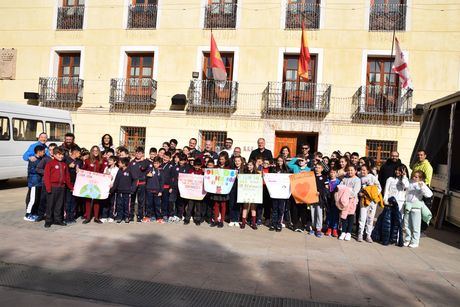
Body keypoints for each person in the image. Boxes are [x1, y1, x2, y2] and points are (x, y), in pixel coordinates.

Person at [43, 147, 74, 228]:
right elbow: (46, 176)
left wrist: (71, 187)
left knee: (59, 205)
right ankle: (48, 220)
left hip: (62, 188)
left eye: (62, 155)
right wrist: (48, 188)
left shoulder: (64, 165)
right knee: (50, 205)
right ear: (54, 154)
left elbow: (67, 177)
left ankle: (58, 220)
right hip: (52, 187)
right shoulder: (50, 164)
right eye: (59, 154)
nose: (61, 156)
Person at [404, 170, 433, 248]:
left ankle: (415, 241)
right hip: (408, 206)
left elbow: (429, 194)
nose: (414, 177)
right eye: (413, 176)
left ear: (421, 178)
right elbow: (405, 188)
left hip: (416, 207)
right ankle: (407, 239)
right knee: (407, 225)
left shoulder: (421, 184)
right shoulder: (409, 182)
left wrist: (422, 187)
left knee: (416, 226)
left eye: (416, 177)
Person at [357, 164, 382, 243]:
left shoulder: (372, 177)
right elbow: (358, 189)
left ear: (368, 170)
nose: (362, 171)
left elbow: (379, 188)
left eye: (364, 170)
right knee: (362, 217)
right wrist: (360, 193)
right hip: (364, 200)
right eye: (361, 170)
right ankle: (360, 234)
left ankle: (368, 235)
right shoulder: (359, 178)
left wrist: (373, 194)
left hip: (372, 201)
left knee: (370, 218)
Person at [287, 155, 311, 232]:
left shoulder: (309, 169)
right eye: (300, 161)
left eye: (302, 160)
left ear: (306, 161)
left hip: (304, 192)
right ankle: (295, 224)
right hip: (295, 191)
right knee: (294, 209)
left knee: (303, 209)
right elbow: (288, 164)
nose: (300, 162)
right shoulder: (295, 167)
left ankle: (303, 225)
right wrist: (296, 159)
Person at [82, 145, 105, 224]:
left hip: (98, 183)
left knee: (96, 200)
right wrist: (79, 171)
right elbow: (83, 170)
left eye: (97, 150)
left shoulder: (101, 161)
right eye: (94, 150)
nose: (95, 152)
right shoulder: (87, 161)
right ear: (91, 152)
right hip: (88, 183)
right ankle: (88, 217)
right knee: (88, 200)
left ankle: (96, 217)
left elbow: (103, 171)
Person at [35, 142, 58, 222]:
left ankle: (53, 216)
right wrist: (47, 172)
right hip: (46, 182)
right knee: (43, 199)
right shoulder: (46, 159)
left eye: (53, 149)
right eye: (50, 149)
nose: (51, 151)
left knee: (54, 201)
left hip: (56, 184)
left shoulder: (60, 159)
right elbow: (38, 169)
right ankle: (40, 215)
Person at [338, 165, 361, 241]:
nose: (350, 172)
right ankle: (343, 231)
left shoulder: (357, 180)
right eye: (349, 170)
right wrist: (347, 190)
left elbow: (355, 192)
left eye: (352, 170)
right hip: (344, 201)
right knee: (343, 216)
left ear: (355, 171)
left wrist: (346, 191)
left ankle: (349, 232)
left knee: (350, 216)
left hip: (352, 201)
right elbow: (340, 187)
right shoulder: (345, 179)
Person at [110, 157, 136, 223]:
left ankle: (126, 217)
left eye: (120, 163)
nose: (118, 164)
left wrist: (132, 189)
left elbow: (135, 180)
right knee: (119, 205)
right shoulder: (119, 170)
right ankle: (119, 217)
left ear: (124, 164)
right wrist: (112, 190)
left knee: (127, 205)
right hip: (119, 191)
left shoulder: (130, 170)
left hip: (127, 192)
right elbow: (116, 181)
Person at [24, 145, 46, 222]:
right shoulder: (33, 160)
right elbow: (33, 171)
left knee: (37, 199)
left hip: (39, 182)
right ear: (39, 152)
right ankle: (27, 214)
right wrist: (43, 171)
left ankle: (34, 213)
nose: (44, 153)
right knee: (32, 199)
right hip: (34, 182)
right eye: (43, 152)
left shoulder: (41, 158)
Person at [210, 152, 231, 228]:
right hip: (216, 188)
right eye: (220, 159)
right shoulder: (215, 167)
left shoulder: (228, 168)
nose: (221, 160)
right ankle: (215, 220)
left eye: (222, 159)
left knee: (223, 205)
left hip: (224, 189)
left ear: (226, 160)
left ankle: (221, 221)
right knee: (216, 205)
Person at [128, 146, 149, 222]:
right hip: (133, 184)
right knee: (132, 201)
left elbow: (144, 168)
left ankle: (140, 216)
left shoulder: (145, 162)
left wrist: (143, 161)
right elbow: (129, 173)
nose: (137, 154)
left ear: (142, 154)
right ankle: (130, 215)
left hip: (142, 183)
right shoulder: (131, 162)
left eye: (139, 153)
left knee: (141, 201)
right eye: (136, 153)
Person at [269, 156, 289, 232]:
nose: (279, 162)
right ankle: (273, 224)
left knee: (281, 209)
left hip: (282, 193)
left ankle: (279, 224)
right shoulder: (274, 169)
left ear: (283, 161)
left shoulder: (286, 170)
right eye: (278, 161)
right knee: (274, 209)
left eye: (281, 161)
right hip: (275, 192)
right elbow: (270, 178)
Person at [64, 145, 82, 224]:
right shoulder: (66, 160)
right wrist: (68, 166)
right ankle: (67, 217)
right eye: (79, 153)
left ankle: (72, 216)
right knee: (68, 201)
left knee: (74, 201)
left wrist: (79, 170)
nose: (80, 154)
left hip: (76, 183)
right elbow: (63, 170)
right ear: (75, 152)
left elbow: (82, 171)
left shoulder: (79, 161)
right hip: (68, 183)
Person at [310, 163, 328, 237]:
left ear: (322, 169)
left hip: (320, 198)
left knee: (319, 213)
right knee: (312, 212)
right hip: (311, 197)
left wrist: (320, 192)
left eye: (319, 168)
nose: (317, 169)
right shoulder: (311, 176)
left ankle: (319, 229)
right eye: (316, 167)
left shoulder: (324, 177)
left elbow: (326, 188)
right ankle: (313, 227)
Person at [185, 158, 205, 225]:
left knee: (198, 207)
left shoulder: (202, 172)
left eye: (198, 166)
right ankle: (187, 219)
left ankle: (197, 220)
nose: (197, 167)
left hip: (199, 193)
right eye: (195, 165)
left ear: (200, 166)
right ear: (193, 165)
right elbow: (186, 179)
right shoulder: (190, 171)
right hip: (191, 193)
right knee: (190, 207)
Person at [240, 160, 258, 230]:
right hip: (246, 193)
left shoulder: (256, 174)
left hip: (254, 193)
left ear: (253, 166)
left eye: (250, 165)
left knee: (253, 209)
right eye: (248, 165)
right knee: (245, 208)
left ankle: (253, 223)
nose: (249, 166)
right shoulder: (244, 173)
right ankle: (243, 223)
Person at [145, 156, 163, 223]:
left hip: (157, 190)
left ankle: (159, 217)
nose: (155, 164)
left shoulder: (161, 171)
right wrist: (147, 176)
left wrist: (161, 191)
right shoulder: (149, 169)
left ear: (160, 163)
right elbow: (145, 177)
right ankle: (147, 216)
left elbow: (162, 182)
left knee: (157, 204)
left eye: (157, 163)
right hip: (149, 189)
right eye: (154, 163)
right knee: (149, 204)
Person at [324, 168, 341, 237]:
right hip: (328, 200)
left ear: (336, 174)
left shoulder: (339, 181)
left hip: (335, 200)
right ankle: (329, 228)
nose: (332, 174)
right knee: (328, 215)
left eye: (334, 172)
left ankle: (335, 229)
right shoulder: (327, 181)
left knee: (335, 215)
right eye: (331, 172)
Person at [102, 155, 119, 223]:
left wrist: (113, 184)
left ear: (115, 161)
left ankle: (111, 216)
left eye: (111, 160)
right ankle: (104, 216)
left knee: (112, 202)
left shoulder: (117, 169)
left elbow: (116, 179)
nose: (109, 161)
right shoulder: (106, 168)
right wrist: (106, 174)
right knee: (105, 202)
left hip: (113, 188)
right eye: (109, 160)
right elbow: (103, 177)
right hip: (106, 187)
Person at [228, 155, 244, 227]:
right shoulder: (231, 169)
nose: (237, 162)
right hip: (232, 188)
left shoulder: (244, 169)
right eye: (236, 161)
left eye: (238, 161)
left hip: (240, 189)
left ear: (241, 162)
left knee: (238, 204)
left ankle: (236, 219)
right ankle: (231, 219)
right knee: (231, 203)